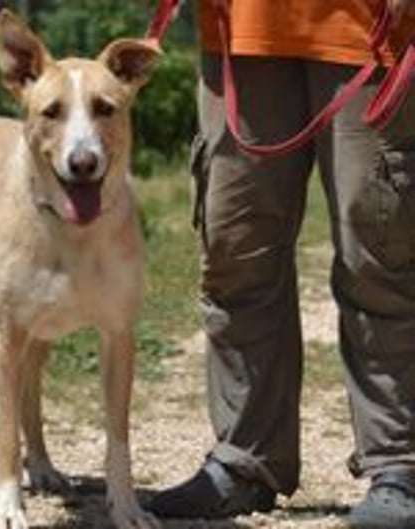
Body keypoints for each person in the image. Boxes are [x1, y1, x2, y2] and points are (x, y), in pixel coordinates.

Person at [146, 1, 415, 528]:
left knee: (381, 254)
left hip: (368, 27)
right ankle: (245, 460)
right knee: (234, 251)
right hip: (240, 28)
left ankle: (399, 463)